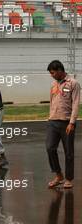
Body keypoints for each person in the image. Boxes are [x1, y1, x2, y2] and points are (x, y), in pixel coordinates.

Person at [46, 60, 81, 188]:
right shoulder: (53, 85)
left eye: (53, 72)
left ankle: (69, 179)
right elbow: (52, 102)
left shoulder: (73, 84)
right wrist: (50, 118)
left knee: (69, 152)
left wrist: (72, 122)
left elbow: (76, 104)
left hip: (67, 122)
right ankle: (58, 175)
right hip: (53, 122)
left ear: (60, 70)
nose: (52, 75)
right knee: (50, 148)